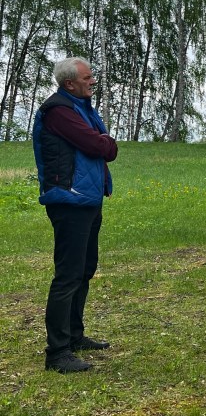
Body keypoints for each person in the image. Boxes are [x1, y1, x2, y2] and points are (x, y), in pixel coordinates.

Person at [32, 57, 118, 373]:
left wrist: (103, 142)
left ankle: (74, 336)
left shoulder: (81, 107)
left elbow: (101, 145)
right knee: (68, 275)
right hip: (69, 201)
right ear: (69, 83)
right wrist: (104, 142)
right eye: (87, 77)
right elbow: (99, 146)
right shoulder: (59, 111)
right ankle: (57, 353)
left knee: (84, 270)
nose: (92, 81)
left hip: (87, 200)